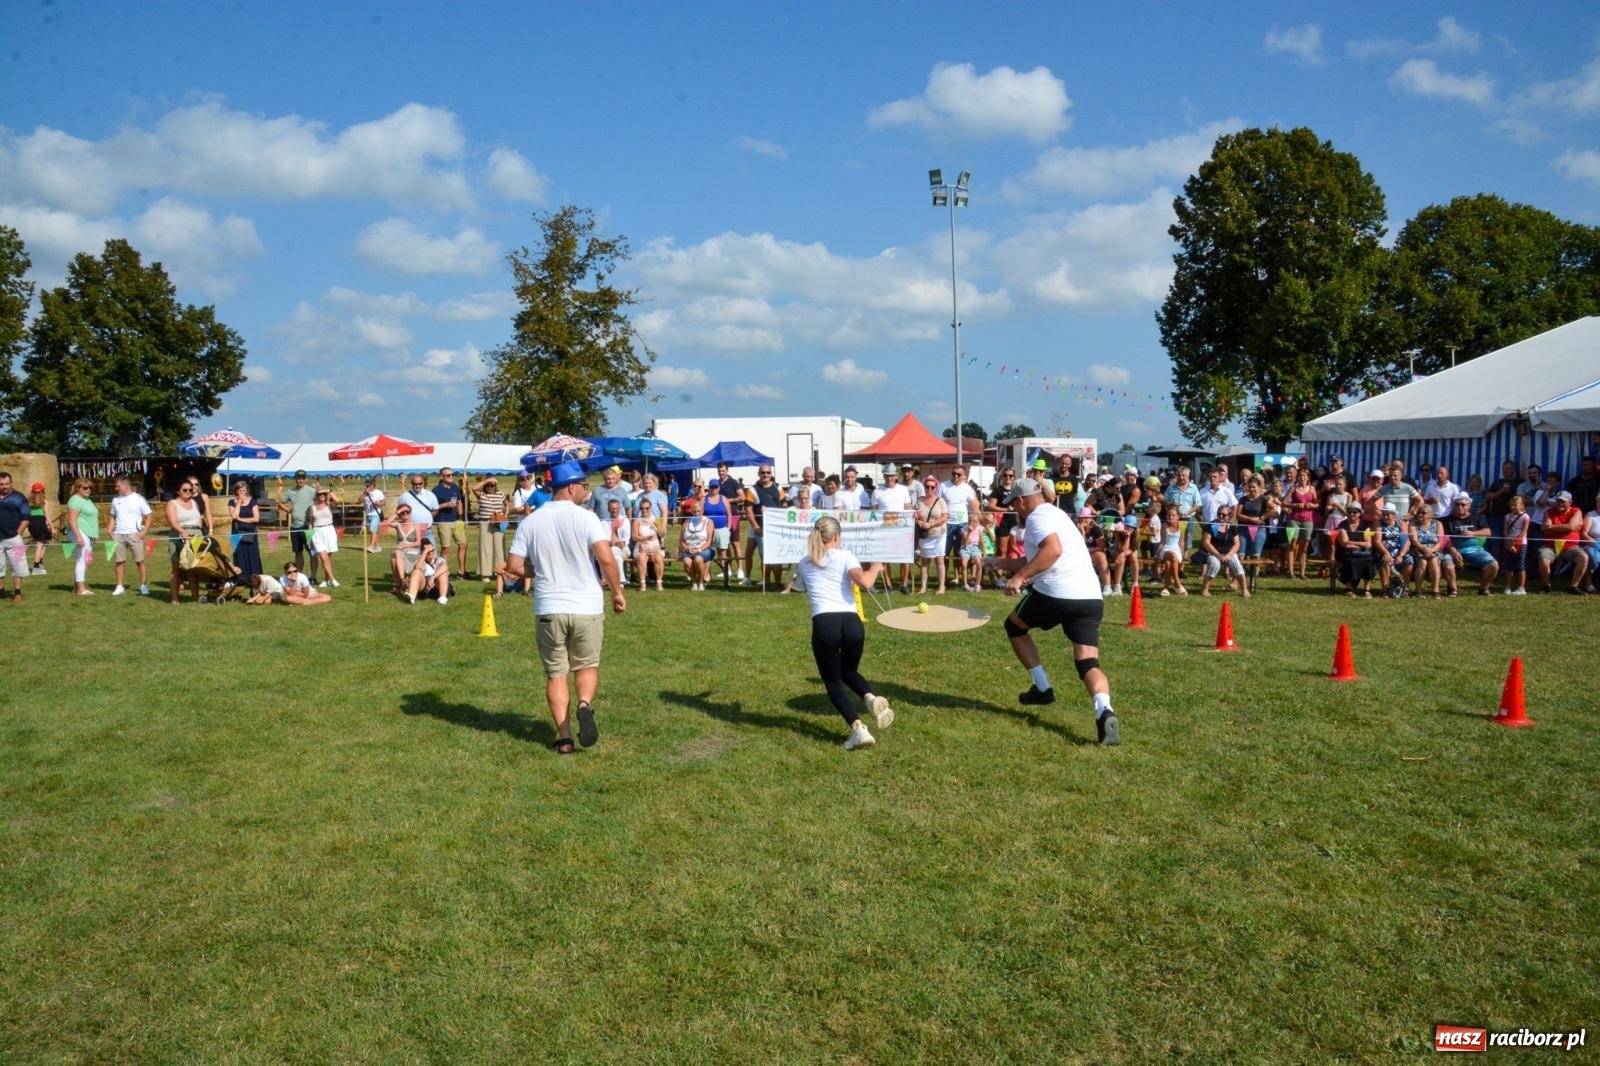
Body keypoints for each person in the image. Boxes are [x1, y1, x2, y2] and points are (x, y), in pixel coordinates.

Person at [982, 475, 1119, 745]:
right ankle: (1105, 711)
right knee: (1087, 662)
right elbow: (1037, 556)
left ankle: (1042, 688)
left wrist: (1020, 578)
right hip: (1090, 597)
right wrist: (998, 561)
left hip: (1059, 593)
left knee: (1014, 626)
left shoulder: (1037, 518)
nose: (1014, 510)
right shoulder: (1057, 514)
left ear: (1022, 500)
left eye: (1014, 505)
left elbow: (1052, 551)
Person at [506, 460, 626, 755]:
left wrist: (540, 571)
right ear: (571, 487)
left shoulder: (531, 521)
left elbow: (513, 567)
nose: (586, 490)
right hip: (586, 605)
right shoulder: (587, 519)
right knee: (586, 664)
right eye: (584, 486)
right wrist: (618, 593)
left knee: (556, 673)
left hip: (549, 606)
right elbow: (607, 560)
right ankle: (584, 705)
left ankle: (563, 737)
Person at [796, 514, 894, 751]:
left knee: (833, 682)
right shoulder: (845, 556)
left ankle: (858, 729)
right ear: (837, 536)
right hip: (852, 623)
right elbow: (865, 582)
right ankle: (869, 698)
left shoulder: (804, 561)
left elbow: (800, 586)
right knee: (849, 671)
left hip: (825, 624)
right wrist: (876, 567)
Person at [1442, 493, 1500, 596]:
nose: (1460, 507)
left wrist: (1473, 533)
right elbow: (1445, 538)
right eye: (1457, 504)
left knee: (1493, 565)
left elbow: (1488, 532)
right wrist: (1453, 551)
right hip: (1454, 549)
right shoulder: (1447, 520)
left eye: (1463, 505)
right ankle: (1453, 590)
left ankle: (1483, 589)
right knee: (1447, 564)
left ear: (1469, 506)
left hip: (1475, 549)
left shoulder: (1477, 517)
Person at [1538, 491, 1591, 594]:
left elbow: (1572, 527)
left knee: (1583, 558)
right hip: (1550, 545)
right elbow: (1544, 528)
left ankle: (1573, 587)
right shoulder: (1549, 511)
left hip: (1570, 547)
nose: (1560, 503)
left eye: (1563, 501)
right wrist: (1565, 528)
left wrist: (1552, 527)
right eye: (1558, 501)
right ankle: (1546, 585)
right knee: (1543, 559)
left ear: (1570, 502)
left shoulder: (1576, 511)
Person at [108, 474, 153, 596]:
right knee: (119, 561)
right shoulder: (115, 500)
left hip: (134, 534)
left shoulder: (139, 499)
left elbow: (149, 516)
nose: (116, 488)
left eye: (118, 486)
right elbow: (112, 516)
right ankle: (119, 586)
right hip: (119, 535)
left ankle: (143, 585)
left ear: (125, 485)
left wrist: (144, 531)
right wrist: (109, 529)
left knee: (140, 561)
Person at [744, 463, 786, 588]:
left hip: (776, 529)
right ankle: (766, 582)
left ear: (771, 474)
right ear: (759, 474)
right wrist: (756, 526)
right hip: (760, 528)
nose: (765, 475)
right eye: (763, 473)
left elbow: (784, 506)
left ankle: (778, 583)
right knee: (765, 556)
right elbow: (748, 510)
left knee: (776, 556)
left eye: (768, 472)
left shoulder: (778, 488)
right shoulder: (752, 490)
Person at [165, 479, 207, 604]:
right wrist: (182, 531)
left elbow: (199, 519)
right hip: (178, 537)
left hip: (196, 537)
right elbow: (173, 522)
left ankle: (195, 597)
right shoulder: (172, 504)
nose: (188, 492)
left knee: (193, 568)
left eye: (190, 489)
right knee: (176, 569)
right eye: (185, 490)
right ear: (178, 491)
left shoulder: (194, 502)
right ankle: (174, 598)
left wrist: (199, 533)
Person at [1199, 503, 1249, 598]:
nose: (1221, 516)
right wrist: (1218, 555)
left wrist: (1229, 555)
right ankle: (1205, 589)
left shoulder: (1232, 527)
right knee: (1215, 565)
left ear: (1229, 516)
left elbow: (1237, 544)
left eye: (1224, 514)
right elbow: (1206, 543)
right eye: (1219, 514)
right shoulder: (1210, 525)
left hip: (1228, 553)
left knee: (1237, 565)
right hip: (1212, 552)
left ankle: (1245, 590)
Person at [277, 470, 318, 574]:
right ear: (295, 479)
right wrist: (289, 510)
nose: (301, 480)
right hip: (295, 527)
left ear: (306, 479)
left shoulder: (311, 491)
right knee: (298, 552)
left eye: (303, 478)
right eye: (299, 478)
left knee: (312, 552)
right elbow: (280, 502)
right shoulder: (290, 491)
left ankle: (313, 576)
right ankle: (299, 576)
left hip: (308, 527)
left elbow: (320, 500)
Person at [913, 474, 948, 595]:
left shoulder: (941, 501)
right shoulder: (919, 501)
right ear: (924, 487)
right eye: (927, 486)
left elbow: (945, 517)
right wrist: (920, 522)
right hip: (925, 535)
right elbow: (916, 516)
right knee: (924, 561)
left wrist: (931, 524)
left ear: (936, 488)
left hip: (939, 534)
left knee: (939, 560)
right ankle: (923, 587)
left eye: (932, 487)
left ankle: (941, 587)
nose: (930, 489)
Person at [66, 477, 100, 597]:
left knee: (87, 560)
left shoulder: (87, 500)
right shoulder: (75, 500)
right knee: (81, 560)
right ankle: (81, 589)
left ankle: (76, 588)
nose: (88, 490)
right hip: (79, 532)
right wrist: (78, 536)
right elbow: (72, 520)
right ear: (78, 488)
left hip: (88, 533)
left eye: (90, 488)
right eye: (85, 488)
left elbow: (91, 518)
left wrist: (95, 535)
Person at [431, 467, 468, 576]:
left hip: (457, 521)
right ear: (442, 477)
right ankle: (444, 572)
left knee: (463, 545)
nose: (451, 476)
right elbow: (433, 506)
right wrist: (445, 505)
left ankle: (461, 571)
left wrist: (460, 518)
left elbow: (460, 502)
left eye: (452, 474)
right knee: (445, 548)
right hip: (443, 522)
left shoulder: (455, 487)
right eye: (448, 475)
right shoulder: (436, 490)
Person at [381, 502, 425, 593]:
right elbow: (387, 523)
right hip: (399, 551)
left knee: (396, 554)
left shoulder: (415, 525)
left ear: (410, 513)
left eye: (407, 512)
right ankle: (401, 582)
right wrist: (397, 512)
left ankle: (399, 583)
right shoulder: (398, 524)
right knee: (395, 556)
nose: (405, 514)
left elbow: (418, 543)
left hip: (411, 551)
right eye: (403, 512)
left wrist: (405, 545)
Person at [0, 471, 30, 601]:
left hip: (14, 538)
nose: (4, 486)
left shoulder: (19, 497)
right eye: (1, 484)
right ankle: (1, 591)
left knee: (18, 565)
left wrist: (18, 533)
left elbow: (26, 517)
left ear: (11, 483)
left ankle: (17, 592)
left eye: (7, 483)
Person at [1336, 509, 1379, 597]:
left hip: (1363, 553)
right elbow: (1344, 543)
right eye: (1349, 512)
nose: (1352, 514)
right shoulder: (1342, 525)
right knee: (1350, 562)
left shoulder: (1367, 526)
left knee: (1369, 561)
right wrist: (1360, 544)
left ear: (1360, 514)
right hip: (1345, 553)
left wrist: (1352, 543)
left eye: (1355, 512)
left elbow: (1368, 544)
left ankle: (1367, 589)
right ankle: (1349, 588)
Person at [473, 476, 508, 581]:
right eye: (488, 485)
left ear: (495, 486)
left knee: (500, 548)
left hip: (499, 522)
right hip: (485, 522)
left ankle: (500, 572)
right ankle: (485, 574)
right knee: (485, 547)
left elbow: (506, 504)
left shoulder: (500, 494)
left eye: (492, 485)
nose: (490, 487)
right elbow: (474, 489)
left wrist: (505, 515)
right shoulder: (482, 494)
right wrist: (487, 480)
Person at [1408, 503, 1447, 599]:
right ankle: (1418, 590)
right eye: (1419, 512)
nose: (1420, 515)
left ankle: (1436, 590)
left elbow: (1441, 541)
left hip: (1434, 549)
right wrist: (1424, 549)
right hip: (1419, 549)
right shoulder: (1413, 523)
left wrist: (1431, 550)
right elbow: (1414, 540)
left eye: (1423, 513)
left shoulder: (1438, 524)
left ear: (1430, 514)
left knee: (1434, 561)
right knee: (1423, 562)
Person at [228, 481, 263, 584]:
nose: (242, 493)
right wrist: (239, 503)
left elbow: (256, 518)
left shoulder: (252, 502)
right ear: (236, 492)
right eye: (240, 491)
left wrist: (242, 520)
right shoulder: (231, 502)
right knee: (239, 555)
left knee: (252, 555)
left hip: (250, 533)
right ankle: (242, 578)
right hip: (237, 533)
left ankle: (255, 578)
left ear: (247, 490)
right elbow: (234, 516)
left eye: (244, 490)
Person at [702, 479, 735, 582]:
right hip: (708, 530)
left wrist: (728, 528)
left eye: (716, 487)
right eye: (712, 487)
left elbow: (729, 513)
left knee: (722, 552)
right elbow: (700, 513)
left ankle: (726, 572)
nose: (714, 489)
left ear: (719, 488)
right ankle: (707, 575)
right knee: (707, 552)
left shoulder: (723, 499)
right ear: (709, 488)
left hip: (722, 529)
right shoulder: (704, 499)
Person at [677, 498, 715, 591]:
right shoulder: (686, 522)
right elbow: (681, 540)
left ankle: (701, 582)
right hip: (689, 549)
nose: (696, 514)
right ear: (691, 511)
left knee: (698, 559)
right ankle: (694, 582)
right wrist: (687, 548)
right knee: (687, 561)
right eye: (694, 512)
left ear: (702, 511)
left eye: (698, 511)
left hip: (704, 549)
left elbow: (709, 541)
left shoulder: (709, 522)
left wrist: (699, 550)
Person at [308, 489, 341, 588]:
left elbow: (338, 501)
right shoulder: (312, 508)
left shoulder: (329, 506)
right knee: (323, 557)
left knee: (327, 558)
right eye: (319, 494)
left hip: (328, 530)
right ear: (316, 495)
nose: (322, 495)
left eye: (323, 494)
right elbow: (310, 523)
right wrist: (309, 538)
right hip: (317, 532)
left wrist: (329, 492)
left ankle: (326, 580)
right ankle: (333, 579)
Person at [403, 540, 452, 605]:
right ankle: (411, 596)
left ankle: (442, 598)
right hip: (426, 589)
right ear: (423, 552)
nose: (431, 552)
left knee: (443, 573)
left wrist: (432, 578)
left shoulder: (439, 560)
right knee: (416, 571)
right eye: (428, 551)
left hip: (439, 586)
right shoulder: (421, 561)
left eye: (432, 549)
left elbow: (445, 566)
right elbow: (417, 567)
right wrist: (424, 553)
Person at [632, 496, 665, 590]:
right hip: (641, 546)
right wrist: (645, 538)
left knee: (658, 558)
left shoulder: (657, 519)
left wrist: (657, 525)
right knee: (642, 558)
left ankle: (659, 583)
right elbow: (634, 537)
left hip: (654, 546)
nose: (644, 510)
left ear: (651, 508)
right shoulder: (637, 521)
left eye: (647, 508)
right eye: (642, 508)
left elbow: (662, 534)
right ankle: (643, 584)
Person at [1156, 501, 1188, 596]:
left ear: (1178, 516)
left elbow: (1181, 543)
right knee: (1171, 555)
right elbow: (1162, 542)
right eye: (1169, 515)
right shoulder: (1164, 526)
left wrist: (1182, 556)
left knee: (1168, 562)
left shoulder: (1181, 526)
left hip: (1176, 549)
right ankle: (1177, 584)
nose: (1171, 517)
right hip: (1166, 548)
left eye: (1173, 515)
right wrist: (1158, 553)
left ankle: (1166, 588)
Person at [397, 474, 438, 546]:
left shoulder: (430, 495)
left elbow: (435, 509)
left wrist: (427, 517)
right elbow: (400, 512)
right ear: (411, 484)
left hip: (427, 531)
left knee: (432, 554)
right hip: (411, 531)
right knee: (413, 555)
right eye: (415, 484)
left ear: (423, 483)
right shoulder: (404, 496)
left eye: (420, 484)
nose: (418, 486)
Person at [1502, 494, 1531, 595]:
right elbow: (1505, 532)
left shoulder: (1525, 517)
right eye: (1511, 505)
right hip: (1509, 544)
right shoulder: (1507, 516)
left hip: (1521, 544)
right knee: (1509, 566)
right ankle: (1508, 586)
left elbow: (1523, 532)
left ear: (1522, 505)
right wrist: (1509, 544)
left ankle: (1521, 587)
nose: (1513, 507)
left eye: (1515, 505)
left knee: (1520, 565)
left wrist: (1515, 544)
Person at [26, 481, 53, 576]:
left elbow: (26, 515)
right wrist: (52, 527)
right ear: (42, 492)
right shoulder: (44, 502)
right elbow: (47, 516)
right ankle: (36, 567)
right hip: (40, 522)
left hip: (32, 523)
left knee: (45, 541)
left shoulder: (29, 502)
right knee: (40, 545)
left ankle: (40, 561)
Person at [604, 497, 631, 580]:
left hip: (623, 549)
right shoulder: (603, 522)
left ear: (619, 509)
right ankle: (621, 582)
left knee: (613, 551)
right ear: (608, 509)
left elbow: (626, 539)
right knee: (617, 558)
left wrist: (620, 543)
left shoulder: (625, 521)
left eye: (616, 508)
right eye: (612, 508)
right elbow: (603, 539)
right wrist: (613, 543)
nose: (614, 510)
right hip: (609, 549)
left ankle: (606, 578)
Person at [359, 477, 386, 553]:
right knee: (373, 531)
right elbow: (359, 501)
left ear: (373, 485)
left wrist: (378, 503)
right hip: (367, 514)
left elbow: (384, 502)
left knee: (372, 529)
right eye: (366, 484)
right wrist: (364, 493)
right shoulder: (365, 493)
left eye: (368, 484)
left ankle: (371, 546)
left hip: (376, 514)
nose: (367, 486)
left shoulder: (378, 492)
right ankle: (377, 546)